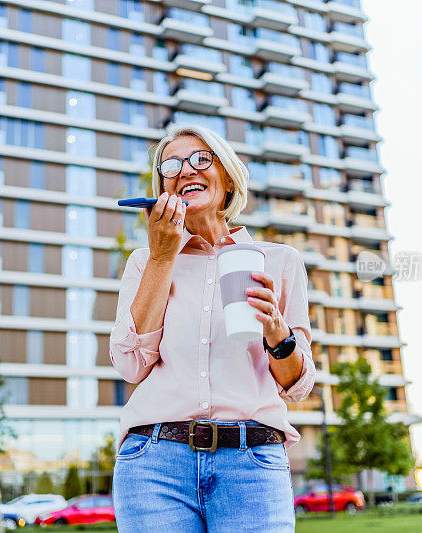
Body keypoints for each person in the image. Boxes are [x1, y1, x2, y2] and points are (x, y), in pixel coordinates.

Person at [110, 125, 315, 532]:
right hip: (155, 463)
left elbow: (298, 385)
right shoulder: (144, 261)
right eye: (171, 165)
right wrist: (161, 257)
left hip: (252, 462)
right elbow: (131, 365)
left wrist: (276, 332)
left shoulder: (278, 260)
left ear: (226, 177)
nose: (186, 170)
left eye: (201, 159)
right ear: (162, 188)